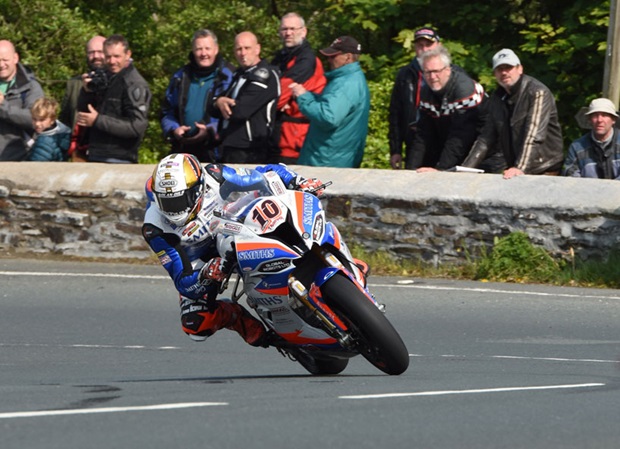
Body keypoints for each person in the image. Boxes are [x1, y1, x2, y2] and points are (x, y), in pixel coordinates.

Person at [142, 153, 324, 346]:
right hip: (204, 260)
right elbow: (183, 281)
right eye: (166, 202)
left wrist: (298, 181)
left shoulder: (215, 176)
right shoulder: (155, 228)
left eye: (179, 200)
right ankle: (238, 318)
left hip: (234, 228)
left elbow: (265, 173)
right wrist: (205, 275)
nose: (173, 210)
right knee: (196, 325)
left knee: (286, 220)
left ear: (197, 189)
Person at [461, 48, 563, 178]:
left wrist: (520, 168)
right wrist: (465, 169)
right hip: (515, 168)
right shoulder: (497, 98)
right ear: (494, 73)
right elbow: (486, 138)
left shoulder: (537, 92)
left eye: (508, 67)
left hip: (544, 168)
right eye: (499, 69)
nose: (504, 72)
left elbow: (534, 136)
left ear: (519, 69)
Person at [290, 36, 370, 168]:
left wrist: (303, 97)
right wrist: (308, 95)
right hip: (332, 157)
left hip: (327, 160)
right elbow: (330, 105)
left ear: (348, 57)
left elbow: (328, 117)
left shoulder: (346, 83)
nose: (329, 60)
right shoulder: (348, 79)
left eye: (333, 56)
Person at [161, 29, 235, 162]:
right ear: (193, 51)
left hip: (216, 151)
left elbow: (236, 112)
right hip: (183, 149)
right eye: (199, 49)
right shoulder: (180, 76)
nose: (203, 54)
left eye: (208, 48)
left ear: (216, 49)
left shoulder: (230, 76)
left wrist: (210, 130)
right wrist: (174, 129)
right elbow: (167, 110)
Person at [76, 34, 151, 163]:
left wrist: (98, 121)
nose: (112, 61)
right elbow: (83, 113)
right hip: (95, 153)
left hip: (120, 158)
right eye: (108, 56)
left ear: (128, 54)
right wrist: (86, 92)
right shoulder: (105, 77)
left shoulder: (134, 83)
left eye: (117, 56)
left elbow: (137, 127)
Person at [408, 46, 485, 171]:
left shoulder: (465, 90)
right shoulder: (426, 92)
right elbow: (423, 135)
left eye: (436, 71)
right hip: (451, 148)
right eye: (428, 72)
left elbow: (460, 136)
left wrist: (441, 169)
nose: (432, 77)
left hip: (482, 154)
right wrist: (410, 170)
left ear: (448, 70)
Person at [208, 31, 280, 164]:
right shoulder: (238, 74)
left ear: (257, 49)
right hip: (229, 146)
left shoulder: (265, 74)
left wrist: (221, 103)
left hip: (252, 149)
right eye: (239, 49)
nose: (243, 53)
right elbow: (211, 107)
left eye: (247, 48)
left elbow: (240, 111)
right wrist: (218, 102)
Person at [271, 12, 326, 164]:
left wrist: (268, 102)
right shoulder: (282, 57)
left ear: (304, 31)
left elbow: (278, 96)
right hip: (280, 135)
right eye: (284, 29)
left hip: (294, 139)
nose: (288, 33)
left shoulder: (306, 60)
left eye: (293, 29)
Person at [388, 27, 441, 170]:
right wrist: (395, 149)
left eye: (428, 45)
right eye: (419, 45)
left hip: (441, 142)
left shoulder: (450, 72)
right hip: (413, 139)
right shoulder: (405, 74)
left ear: (438, 46)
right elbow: (395, 113)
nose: (424, 49)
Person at [0, 40, 45, 161]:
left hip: (19, 159)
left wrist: (3, 106)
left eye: (5, 60)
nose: (1, 65)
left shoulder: (31, 87)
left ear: (15, 58)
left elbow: (36, 119)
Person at [562, 98, 620, 179]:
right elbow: (571, 178)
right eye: (595, 115)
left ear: (613, 119)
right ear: (589, 119)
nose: (599, 120)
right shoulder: (576, 147)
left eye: (604, 115)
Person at [59, 36, 106, 133]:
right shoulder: (74, 84)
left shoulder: (118, 82)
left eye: (100, 51)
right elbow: (64, 120)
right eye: (91, 52)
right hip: (78, 144)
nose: (96, 56)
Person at [26, 97, 71, 161]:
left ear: (52, 120)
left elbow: (35, 166)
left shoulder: (45, 141)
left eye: (42, 120)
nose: (37, 124)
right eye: (34, 119)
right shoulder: (61, 134)